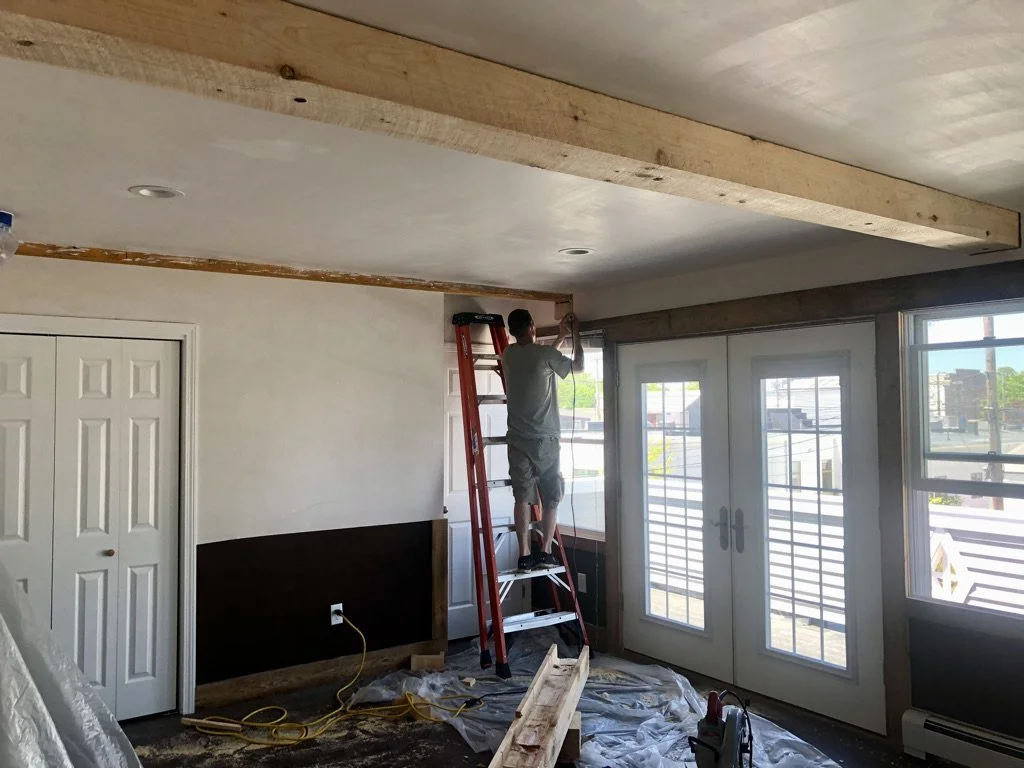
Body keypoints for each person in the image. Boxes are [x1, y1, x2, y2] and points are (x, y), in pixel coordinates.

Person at [501, 309, 583, 572]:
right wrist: (576, 335)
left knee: (522, 497)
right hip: (545, 440)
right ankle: (546, 551)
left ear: (513, 331)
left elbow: (539, 360)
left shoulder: (508, 354)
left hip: (517, 439)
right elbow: (577, 367)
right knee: (551, 496)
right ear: (532, 327)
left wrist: (559, 338)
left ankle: (524, 555)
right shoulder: (544, 355)